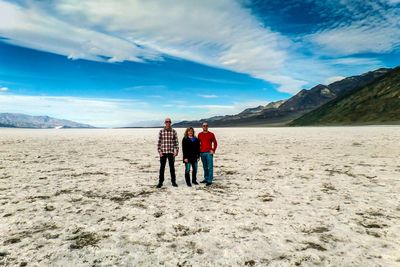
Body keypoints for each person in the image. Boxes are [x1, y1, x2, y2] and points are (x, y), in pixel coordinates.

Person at [157, 117, 179, 188]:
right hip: (163, 152)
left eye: (169, 121)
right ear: (165, 123)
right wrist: (159, 152)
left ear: (170, 123)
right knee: (162, 168)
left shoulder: (173, 131)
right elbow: (159, 142)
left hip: (171, 153)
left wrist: (177, 151)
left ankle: (173, 181)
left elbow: (176, 142)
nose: (168, 123)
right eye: (166, 121)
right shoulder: (161, 131)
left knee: (172, 168)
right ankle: (160, 182)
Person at [198, 122, 218, 186]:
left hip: (209, 153)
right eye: (204, 126)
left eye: (206, 126)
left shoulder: (211, 134)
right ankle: (206, 178)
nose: (205, 127)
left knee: (210, 167)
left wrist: (213, 150)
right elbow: (198, 144)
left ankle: (209, 180)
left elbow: (215, 143)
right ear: (202, 127)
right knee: (205, 167)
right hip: (202, 153)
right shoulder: (199, 134)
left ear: (208, 126)